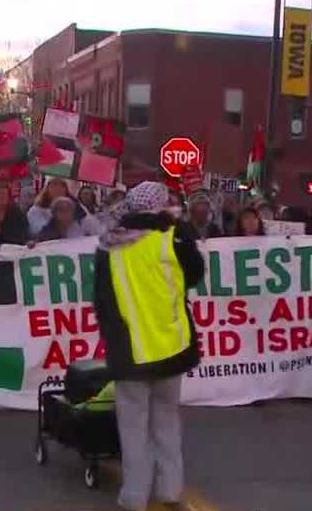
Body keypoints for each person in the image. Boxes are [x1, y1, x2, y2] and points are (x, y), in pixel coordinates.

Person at [94, 181, 204, 511]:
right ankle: (170, 490)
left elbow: (101, 299)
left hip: (129, 352)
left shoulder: (108, 243)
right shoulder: (173, 237)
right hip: (170, 346)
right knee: (167, 424)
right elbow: (195, 274)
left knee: (132, 431)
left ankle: (133, 497)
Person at [36, 196, 103, 242]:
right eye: (60, 209)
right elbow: (39, 245)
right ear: (54, 213)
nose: (65, 212)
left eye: (68, 209)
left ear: (73, 211)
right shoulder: (48, 230)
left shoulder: (86, 222)